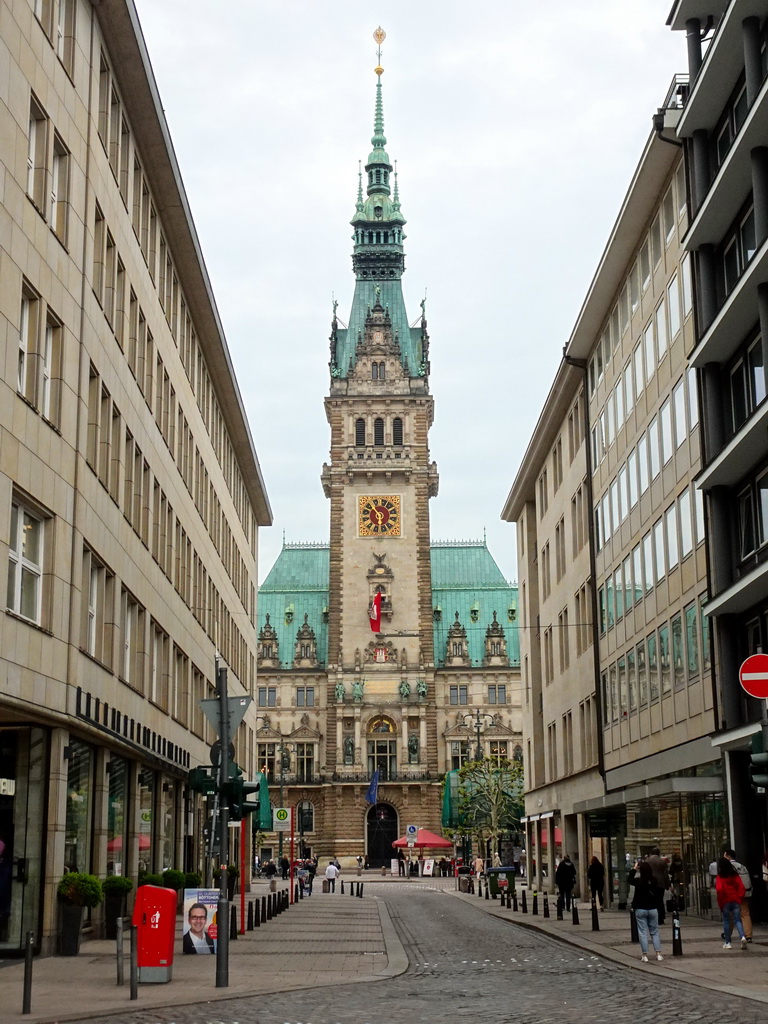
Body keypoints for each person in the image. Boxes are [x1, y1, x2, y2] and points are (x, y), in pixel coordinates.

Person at [628, 860, 664, 962]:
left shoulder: (638, 881)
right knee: (655, 932)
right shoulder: (654, 880)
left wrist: (634, 869)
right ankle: (658, 954)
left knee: (643, 932)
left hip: (640, 909)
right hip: (652, 908)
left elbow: (629, 879)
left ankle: (644, 955)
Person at [715, 857, 747, 949]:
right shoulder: (735, 875)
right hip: (735, 899)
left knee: (726, 921)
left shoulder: (720, 877)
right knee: (737, 920)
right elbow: (741, 887)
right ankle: (742, 936)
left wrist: (721, 902)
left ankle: (728, 942)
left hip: (725, 900)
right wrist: (739, 898)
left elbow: (719, 890)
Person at [723, 849, 752, 942]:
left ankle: (728, 934)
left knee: (731, 915)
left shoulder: (728, 867)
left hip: (733, 895)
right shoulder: (742, 866)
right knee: (745, 914)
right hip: (745, 893)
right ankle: (748, 935)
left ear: (728, 856)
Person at [646, 847, 670, 925]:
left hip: (650, 883)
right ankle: (661, 918)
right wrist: (667, 885)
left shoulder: (647, 861)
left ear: (651, 853)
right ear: (658, 853)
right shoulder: (662, 862)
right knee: (660, 900)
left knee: (650, 900)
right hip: (660, 883)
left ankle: (652, 918)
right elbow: (666, 875)